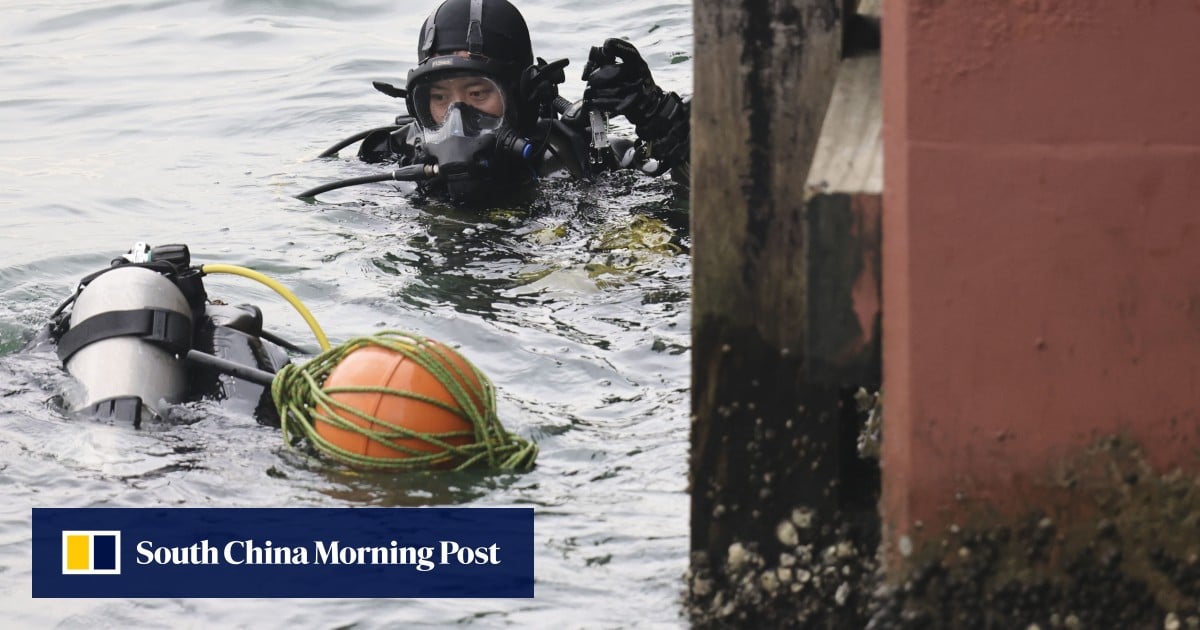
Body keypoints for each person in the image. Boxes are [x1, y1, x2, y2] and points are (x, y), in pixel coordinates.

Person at [317, 0, 690, 204]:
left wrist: (660, 119)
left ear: (522, 97)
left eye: (477, 93)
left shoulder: (580, 159)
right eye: (439, 98)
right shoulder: (397, 160)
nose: (456, 117)